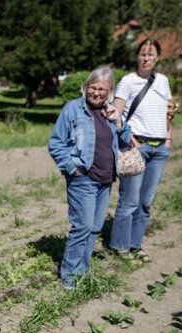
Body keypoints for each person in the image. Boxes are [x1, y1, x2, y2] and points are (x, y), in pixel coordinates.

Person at [48, 66, 132, 289]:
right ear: (86, 87)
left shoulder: (112, 110)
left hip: (106, 180)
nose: (96, 93)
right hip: (83, 178)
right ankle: (69, 276)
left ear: (110, 90)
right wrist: (72, 169)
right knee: (82, 226)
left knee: (95, 227)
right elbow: (56, 143)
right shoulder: (73, 109)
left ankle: (82, 271)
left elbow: (126, 141)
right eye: (92, 88)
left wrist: (118, 122)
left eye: (101, 89)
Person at [110, 38, 173, 262]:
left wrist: (168, 138)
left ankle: (136, 245)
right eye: (143, 54)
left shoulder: (163, 81)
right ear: (136, 56)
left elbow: (169, 111)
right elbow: (115, 114)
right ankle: (120, 246)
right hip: (136, 147)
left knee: (146, 202)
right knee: (130, 201)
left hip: (159, 150)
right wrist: (129, 138)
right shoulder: (128, 81)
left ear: (157, 58)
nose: (146, 58)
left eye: (151, 54)